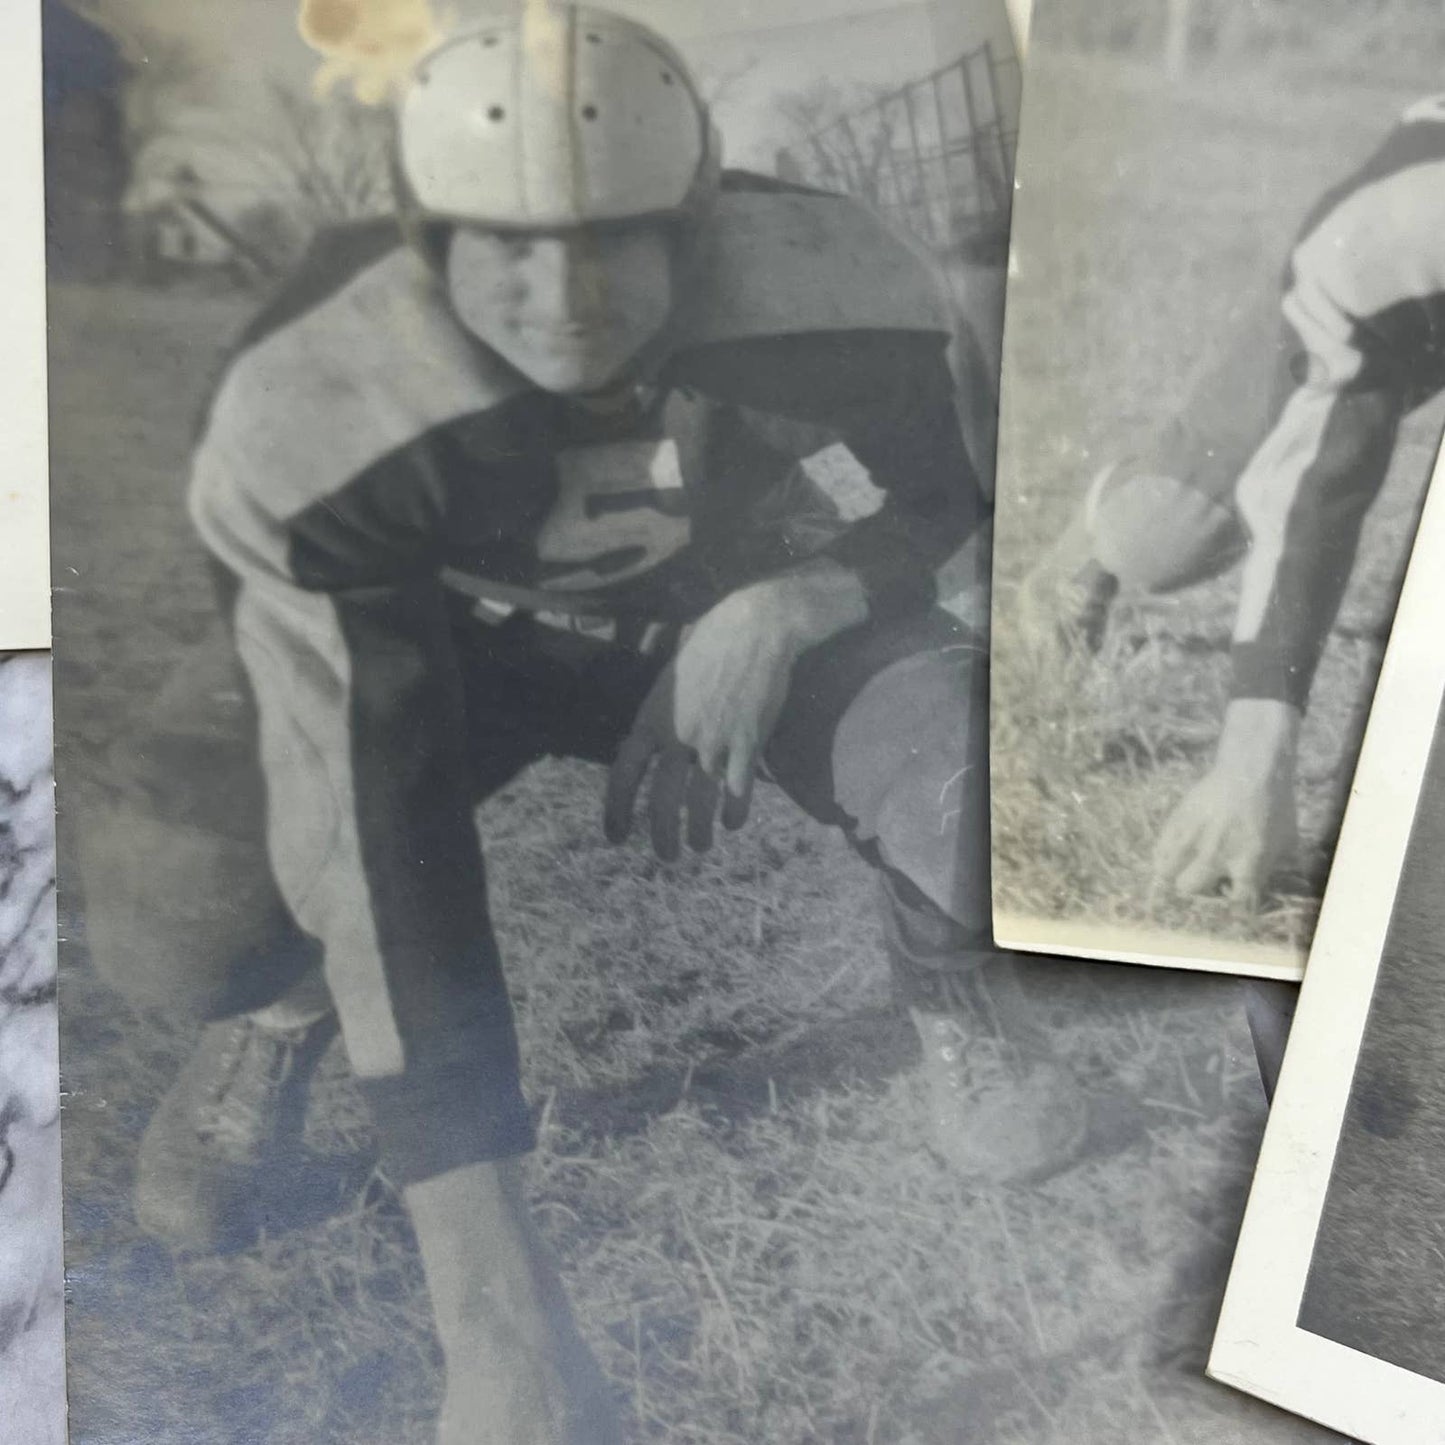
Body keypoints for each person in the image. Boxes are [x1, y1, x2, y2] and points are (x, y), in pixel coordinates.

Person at [79, 8, 1081, 1441]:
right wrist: (497, 1330)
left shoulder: (828, 273)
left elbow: (957, 500)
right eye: (504, 243)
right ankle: (286, 1011)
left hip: (730, 599)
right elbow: (375, 824)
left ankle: (950, 992)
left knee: (988, 803)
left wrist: (797, 598)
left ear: (700, 215)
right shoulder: (316, 385)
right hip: (444, 638)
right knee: (185, 901)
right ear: (423, 235)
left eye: (617, 238)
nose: (565, 295)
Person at [1021, 94, 1445, 905]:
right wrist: (1254, 758)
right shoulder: (1393, 234)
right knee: (1164, 541)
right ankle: (1103, 520)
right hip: (1389, 298)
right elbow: (1311, 487)